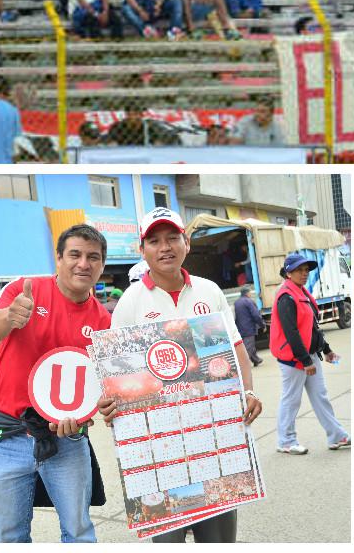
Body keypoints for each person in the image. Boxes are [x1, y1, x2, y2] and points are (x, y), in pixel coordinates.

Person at [96, 208, 263, 543]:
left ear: (186, 242)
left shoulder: (209, 291)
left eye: (172, 237)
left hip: (214, 445)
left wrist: (247, 393)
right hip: (160, 454)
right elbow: (116, 376)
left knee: (218, 541)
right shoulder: (131, 302)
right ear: (141, 250)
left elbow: (236, 354)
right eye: (154, 241)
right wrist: (111, 406)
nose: (165, 247)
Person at [0, 224, 112, 542]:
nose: (83, 264)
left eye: (93, 257)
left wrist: (87, 413)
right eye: (75, 254)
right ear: (59, 258)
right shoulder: (25, 290)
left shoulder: (104, 320)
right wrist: (10, 316)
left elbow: (101, 386)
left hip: (69, 440)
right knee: (9, 535)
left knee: (79, 533)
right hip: (8, 437)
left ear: (102, 265)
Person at [271, 252, 350, 454]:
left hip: (309, 356)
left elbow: (312, 327)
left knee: (320, 397)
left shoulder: (301, 292)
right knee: (291, 400)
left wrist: (326, 349)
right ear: (288, 273)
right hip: (294, 359)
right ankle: (286, 441)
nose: (304, 273)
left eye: (306, 270)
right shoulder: (286, 296)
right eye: (299, 270)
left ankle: (337, 436)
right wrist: (306, 361)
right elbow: (291, 332)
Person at [233, 285, 263, 366]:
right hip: (249, 328)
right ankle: (242, 364)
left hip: (240, 328)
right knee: (248, 346)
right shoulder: (248, 301)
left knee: (249, 345)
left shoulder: (237, 302)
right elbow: (256, 315)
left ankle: (256, 360)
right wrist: (262, 324)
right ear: (247, 293)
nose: (250, 294)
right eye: (250, 292)